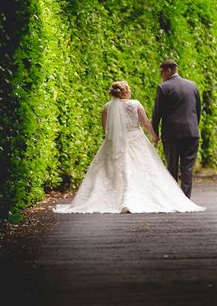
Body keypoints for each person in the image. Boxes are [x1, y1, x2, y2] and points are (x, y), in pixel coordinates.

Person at [55, 81, 205, 213]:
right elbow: (146, 123)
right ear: (126, 92)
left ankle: (110, 198)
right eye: (129, 89)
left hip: (113, 142)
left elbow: (106, 128)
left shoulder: (107, 107)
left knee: (109, 170)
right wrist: (155, 136)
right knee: (145, 169)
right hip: (136, 139)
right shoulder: (135, 104)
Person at [152, 60, 201, 198]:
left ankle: (174, 199)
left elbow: (157, 113)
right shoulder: (192, 85)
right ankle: (185, 199)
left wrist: (155, 133)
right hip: (192, 133)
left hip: (172, 134)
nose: (161, 76)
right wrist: (193, 127)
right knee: (187, 168)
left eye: (161, 72)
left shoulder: (163, 88)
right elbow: (197, 111)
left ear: (168, 71)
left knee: (172, 167)